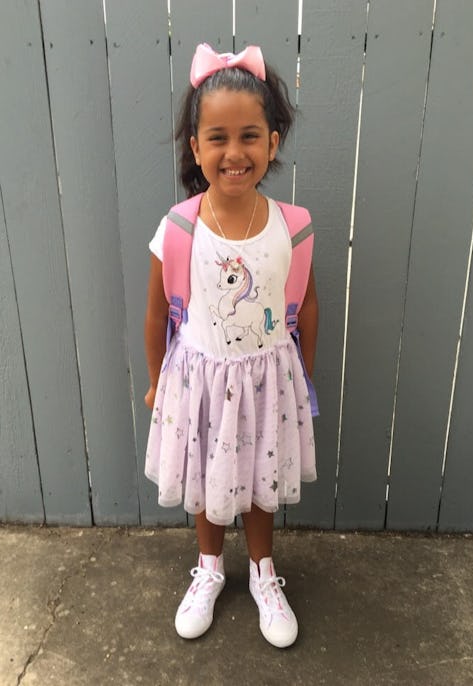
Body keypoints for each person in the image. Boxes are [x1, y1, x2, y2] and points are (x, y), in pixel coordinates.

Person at [144, 43, 318, 649]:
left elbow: (308, 305)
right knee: (208, 479)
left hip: (268, 378)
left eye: (250, 135)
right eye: (217, 137)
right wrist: (153, 378)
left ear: (272, 142)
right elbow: (155, 312)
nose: (234, 152)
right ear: (196, 149)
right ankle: (211, 568)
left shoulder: (292, 225)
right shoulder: (179, 227)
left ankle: (266, 574)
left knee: (261, 480)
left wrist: (303, 377)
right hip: (201, 380)